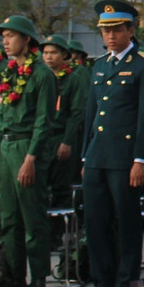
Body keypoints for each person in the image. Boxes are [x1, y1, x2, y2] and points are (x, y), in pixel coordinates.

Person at [78, 0, 144, 287]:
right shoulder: (100, 65)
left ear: (130, 29)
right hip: (99, 156)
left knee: (126, 223)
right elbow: (92, 115)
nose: (110, 36)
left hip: (125, 158)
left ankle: (126, 285)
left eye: (116, 30)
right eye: (105, 30)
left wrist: (140, 159)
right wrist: (86, 157)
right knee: (96, 222)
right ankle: (102, 283)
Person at [0, 16, 57, 287]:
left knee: (32, 216)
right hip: (5, 149)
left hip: (26, 148)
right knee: (9, 218)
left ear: (27, 39)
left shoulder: (42, 74)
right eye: (3, 36)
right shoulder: (7, 72)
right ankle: (15, 276)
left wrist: (31, 158)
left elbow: (44, 121)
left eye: (11, 36)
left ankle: (39, 277)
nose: (5, 42)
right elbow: (0, 116)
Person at [41, 35, 88, 208]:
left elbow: (76, 114)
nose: (48, 57)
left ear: (64, 56)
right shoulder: (40, 77)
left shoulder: (72, 79)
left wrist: (67, 141)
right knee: (41, 186)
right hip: (43, 138)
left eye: (53, 53)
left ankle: (61, 230)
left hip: (61, 137)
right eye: (45, 53)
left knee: (61, 187)